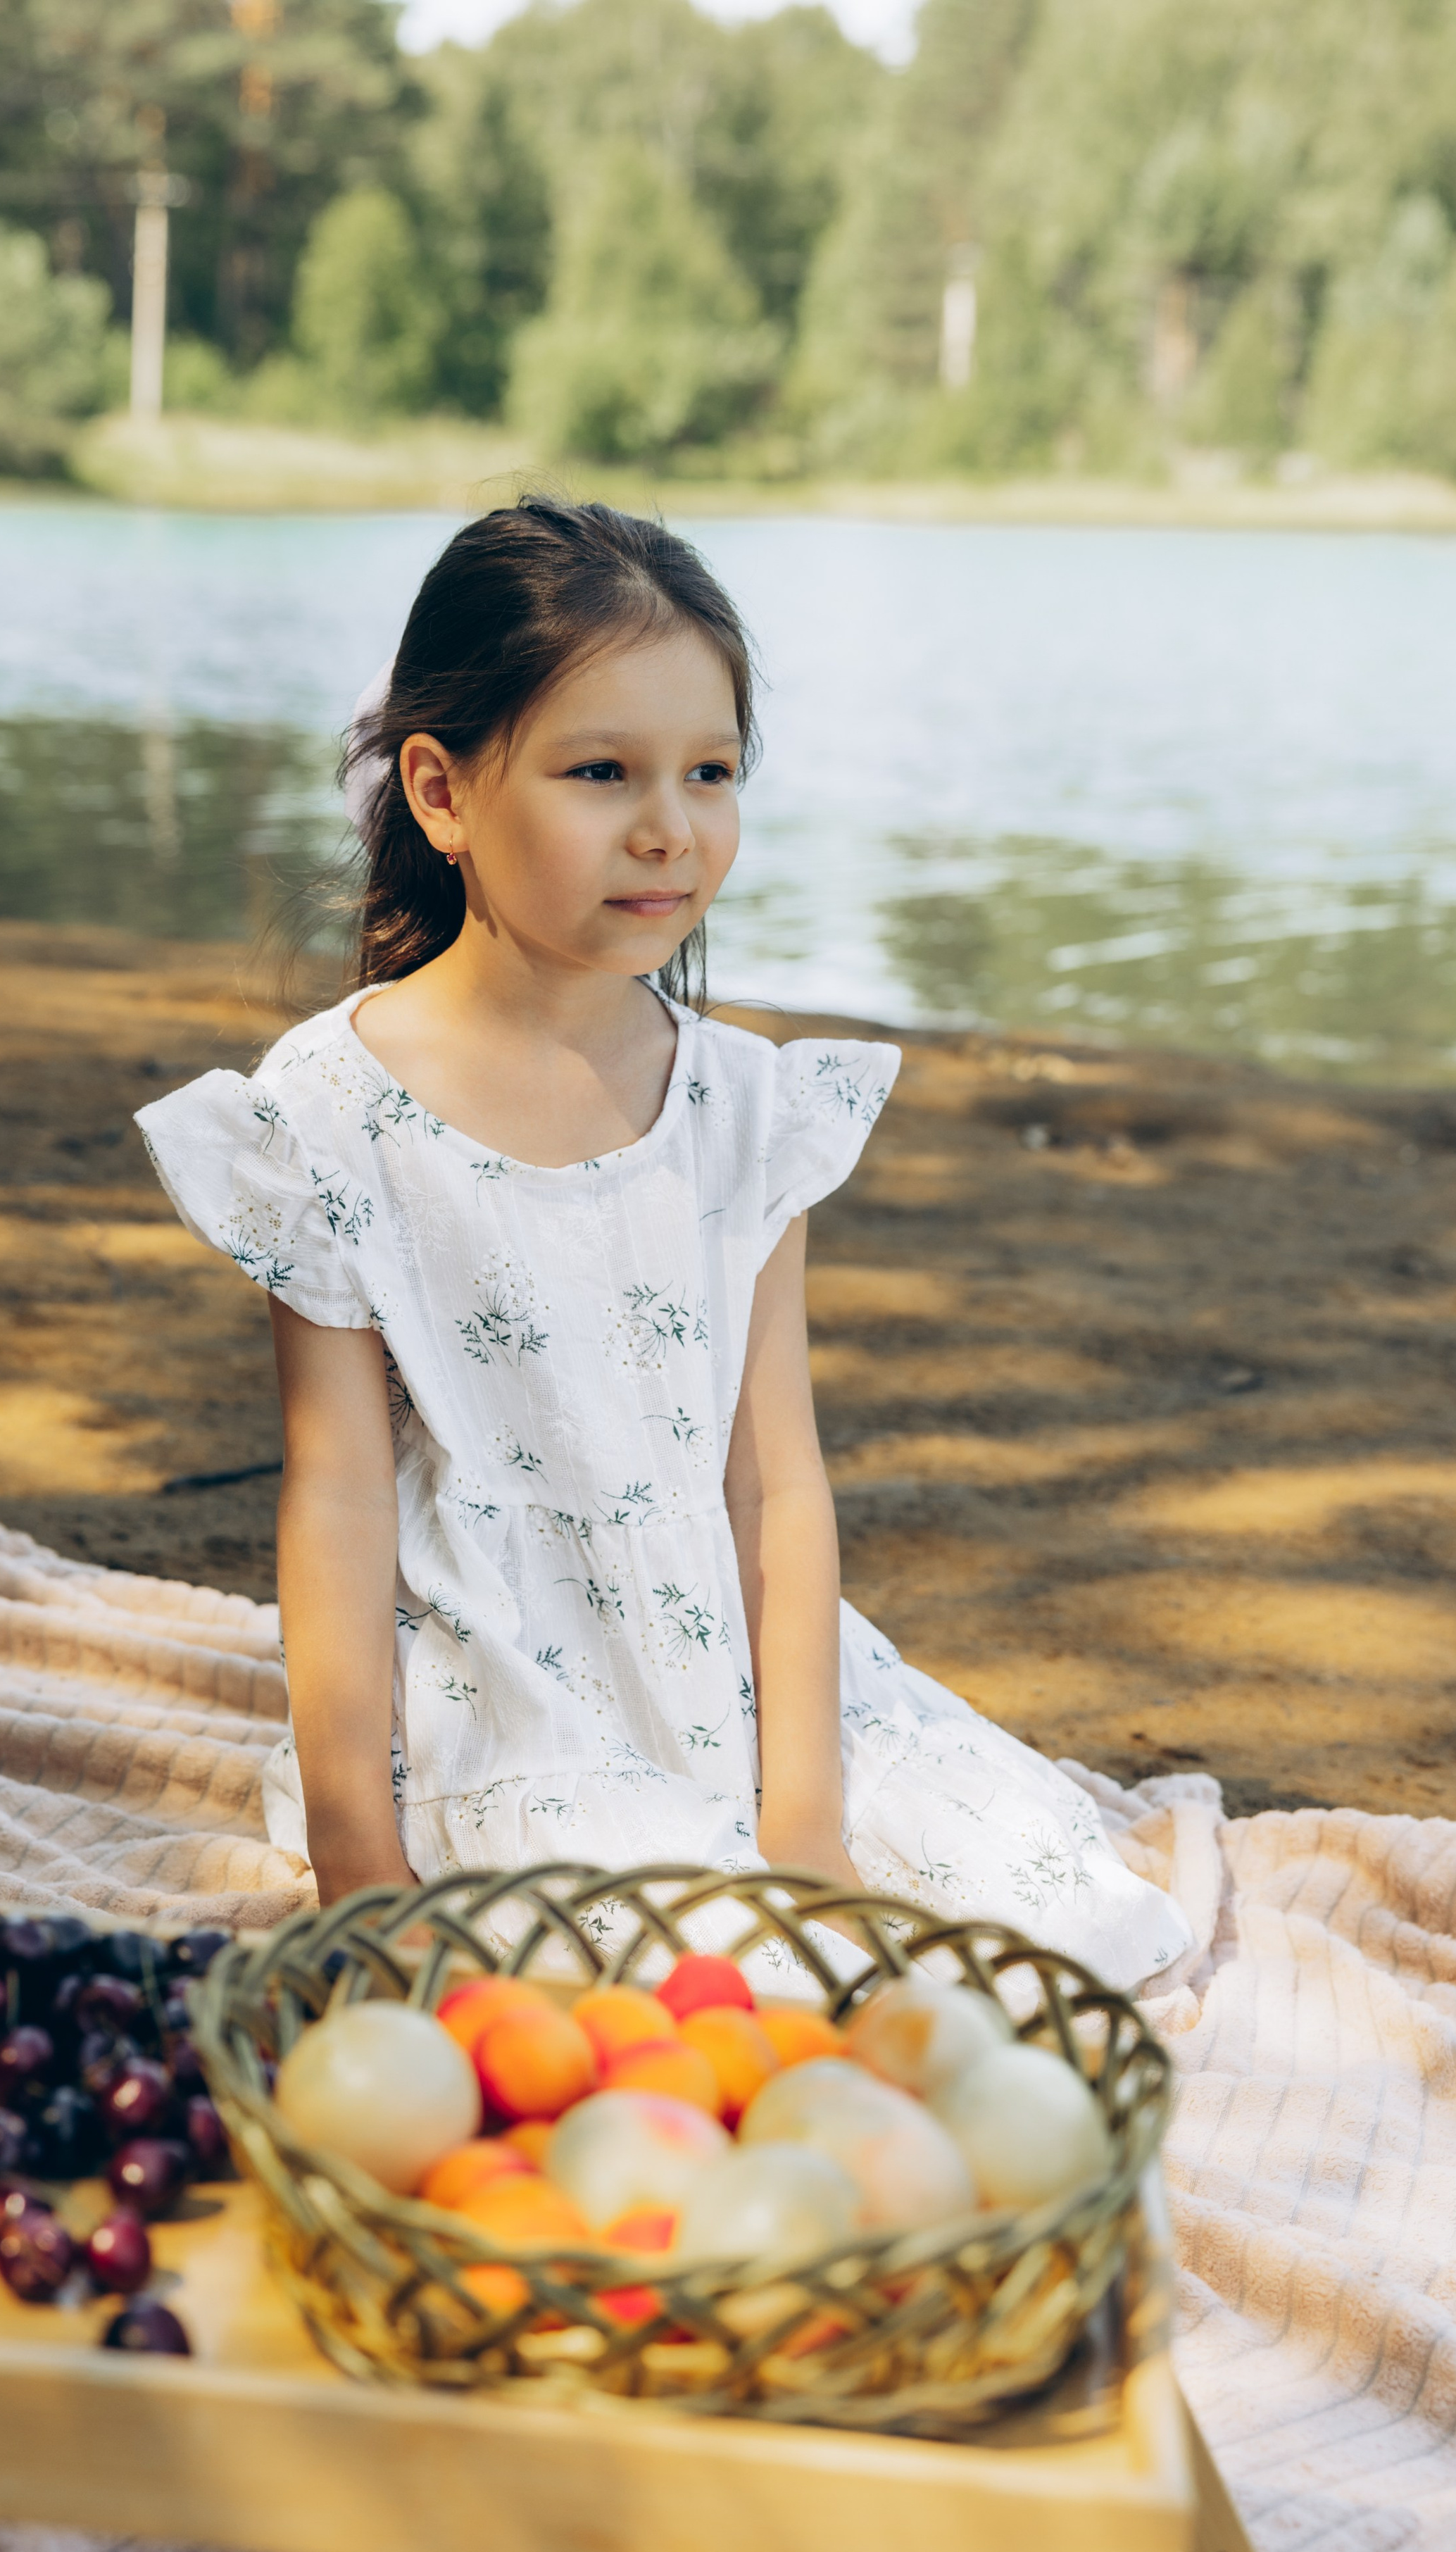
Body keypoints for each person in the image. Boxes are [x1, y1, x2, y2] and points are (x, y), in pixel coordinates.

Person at [137, 497, 1188, 1989]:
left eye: (708, 772)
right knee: (701, 1972)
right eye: (599, 773)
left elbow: (774, 1476)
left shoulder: (746, 1110)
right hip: (520, 1686)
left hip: (745, 1669)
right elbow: (340, 1499)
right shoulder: (327, 1119)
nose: (668, 829)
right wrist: (352, 1855)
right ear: (440, 792)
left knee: (1048, 1916)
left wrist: (805, 1817)